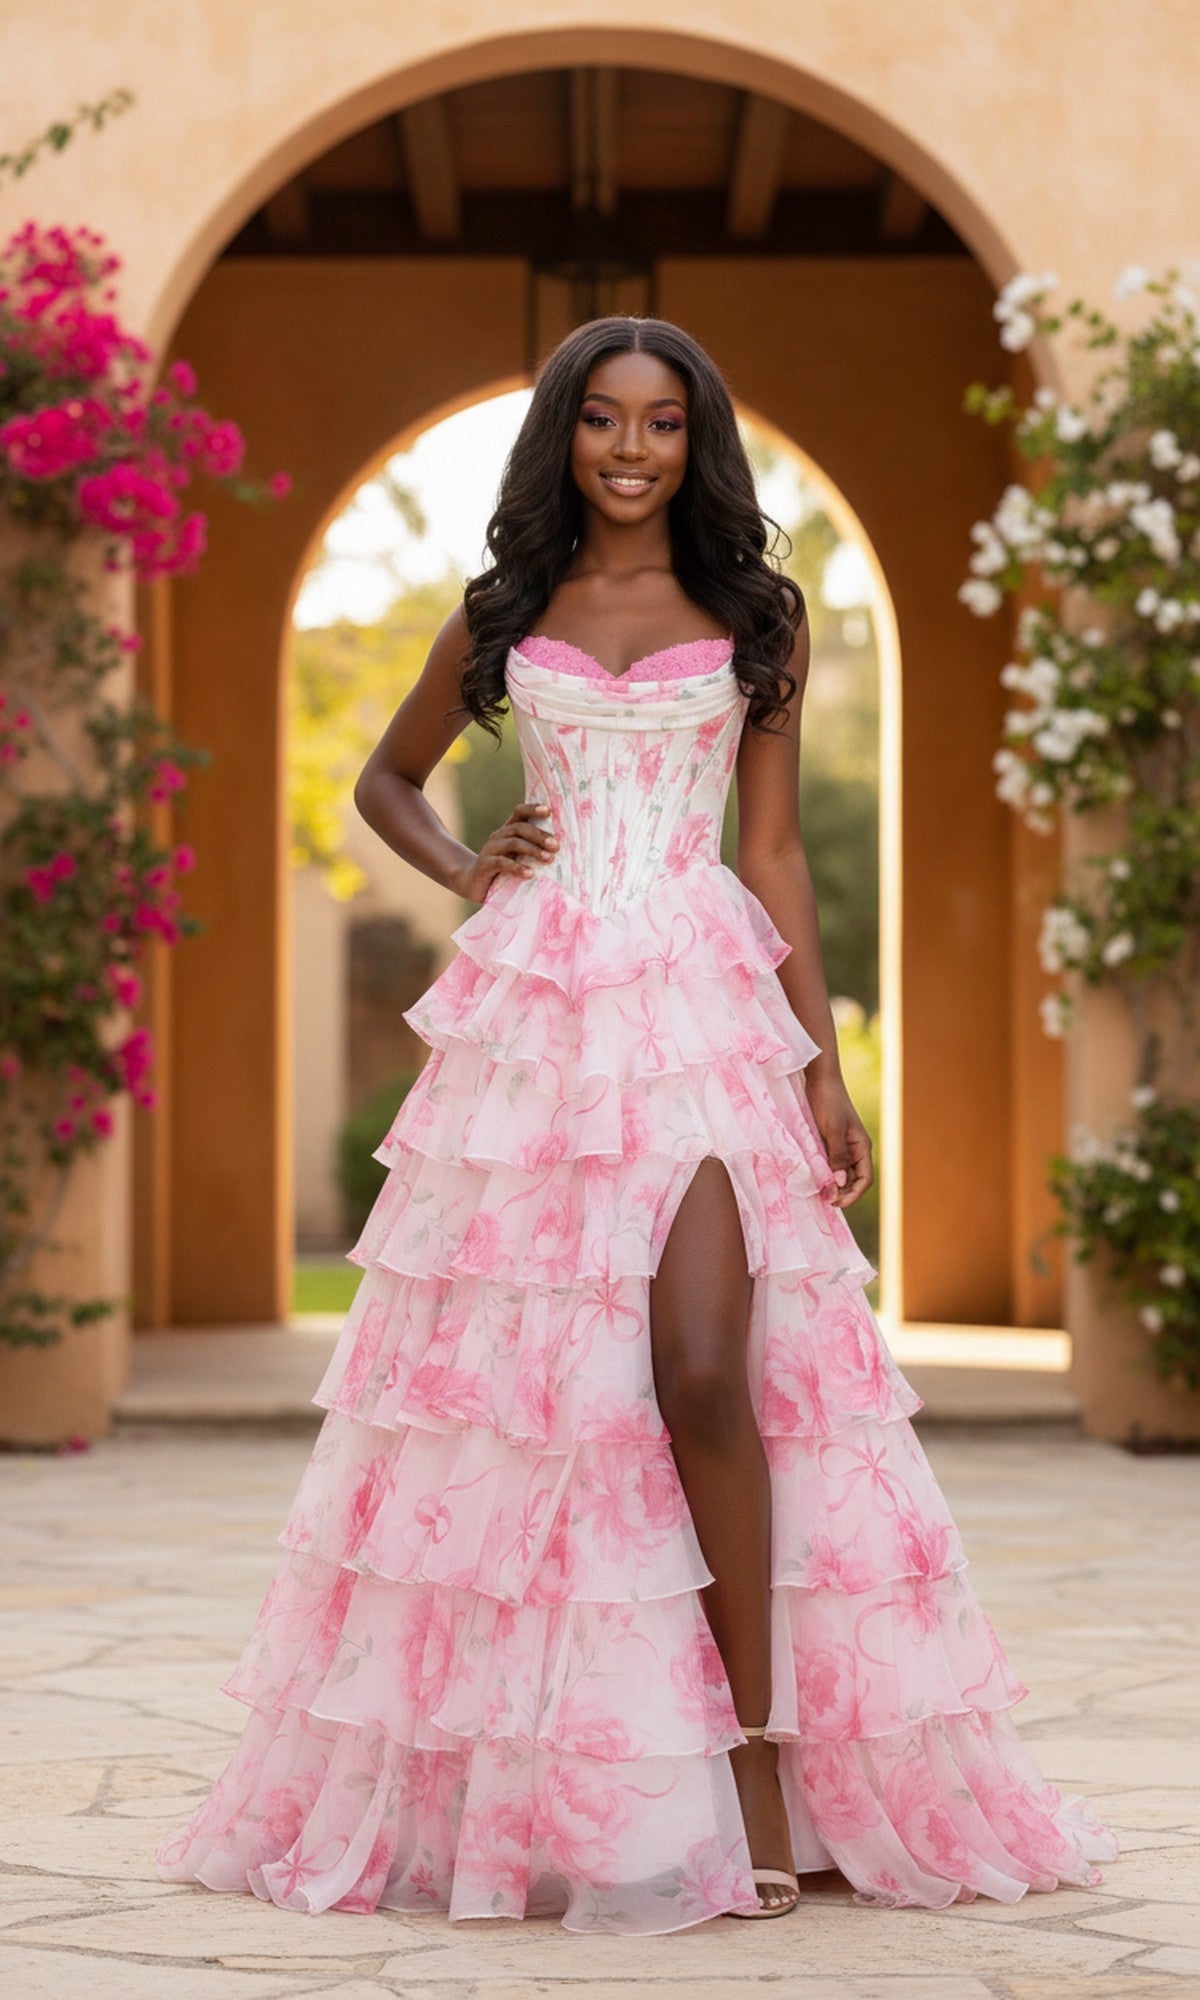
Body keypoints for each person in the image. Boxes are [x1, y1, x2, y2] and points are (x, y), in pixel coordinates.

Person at [156, 315, 1117, 1931]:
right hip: (533, 1031)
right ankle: (552, 1773)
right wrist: (473, 869)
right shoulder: (503, 612)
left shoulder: (755, 618)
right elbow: (385, 782)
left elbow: (781, 853)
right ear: (563, 438)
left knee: (702, 1373)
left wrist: (822, 1061)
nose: (630, 448)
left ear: (697, 443)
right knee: (537, 1411)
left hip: (697, 1015)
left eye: (663, 424)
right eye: (602, 420)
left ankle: (750, 1754)